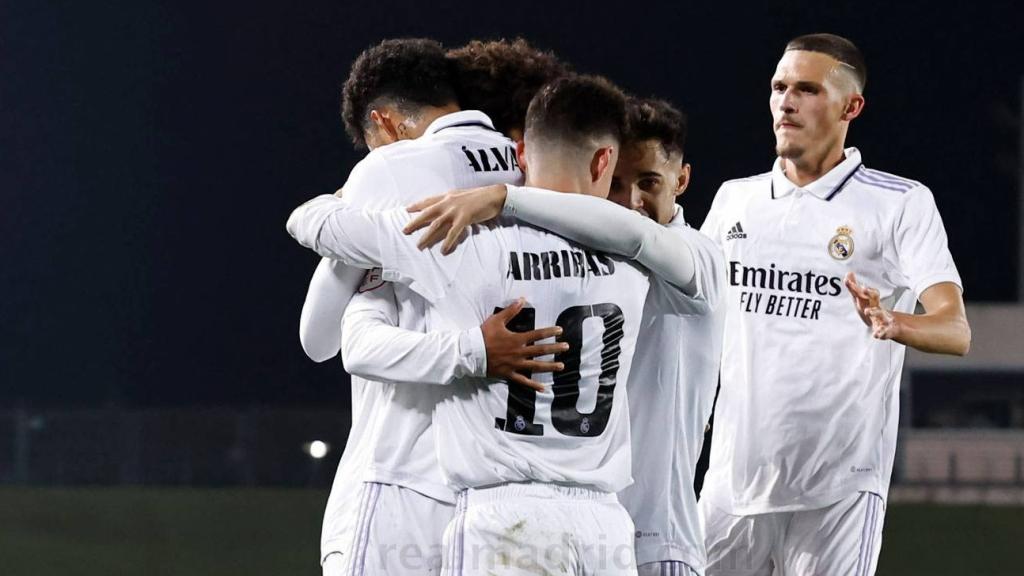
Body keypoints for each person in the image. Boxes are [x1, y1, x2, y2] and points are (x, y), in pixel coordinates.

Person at [288, 74, 649, 575]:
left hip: (429, 485)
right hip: (599, 514)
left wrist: (352, 192)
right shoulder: (637, 256)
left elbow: (323, 339)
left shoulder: (449, 229)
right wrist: (503, 197)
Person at [404, 97, 727, 576]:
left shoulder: (698, 257)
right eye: (617, 184)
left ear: (682, 180)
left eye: (649, 183)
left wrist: (503, 196)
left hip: (660, 536)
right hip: (598, 523)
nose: (632, 200)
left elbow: (636, 235)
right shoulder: (590, 258)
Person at [697, 33, 971, 576]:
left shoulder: (898, 204)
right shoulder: (736, 199)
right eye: (778, 87)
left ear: (852, 105)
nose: (786, 102)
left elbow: (955, 329)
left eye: (806, 89)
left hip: (838, 490)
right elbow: (694, 310)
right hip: (732, 482)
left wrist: (895, 321)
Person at [304, 38, 565, 576]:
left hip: (399, 471)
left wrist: (342, 220)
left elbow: (318, 338)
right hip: (505, 482)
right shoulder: (534, 168)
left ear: (386, 122)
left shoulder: (391, 168)